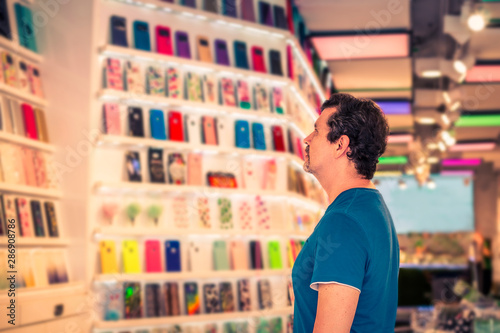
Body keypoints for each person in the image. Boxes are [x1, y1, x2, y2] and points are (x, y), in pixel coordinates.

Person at [292, 93, 399, 333]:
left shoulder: (344, 221)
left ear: (341, 145)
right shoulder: (372, 208)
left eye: (316, 131)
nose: (307, 139)